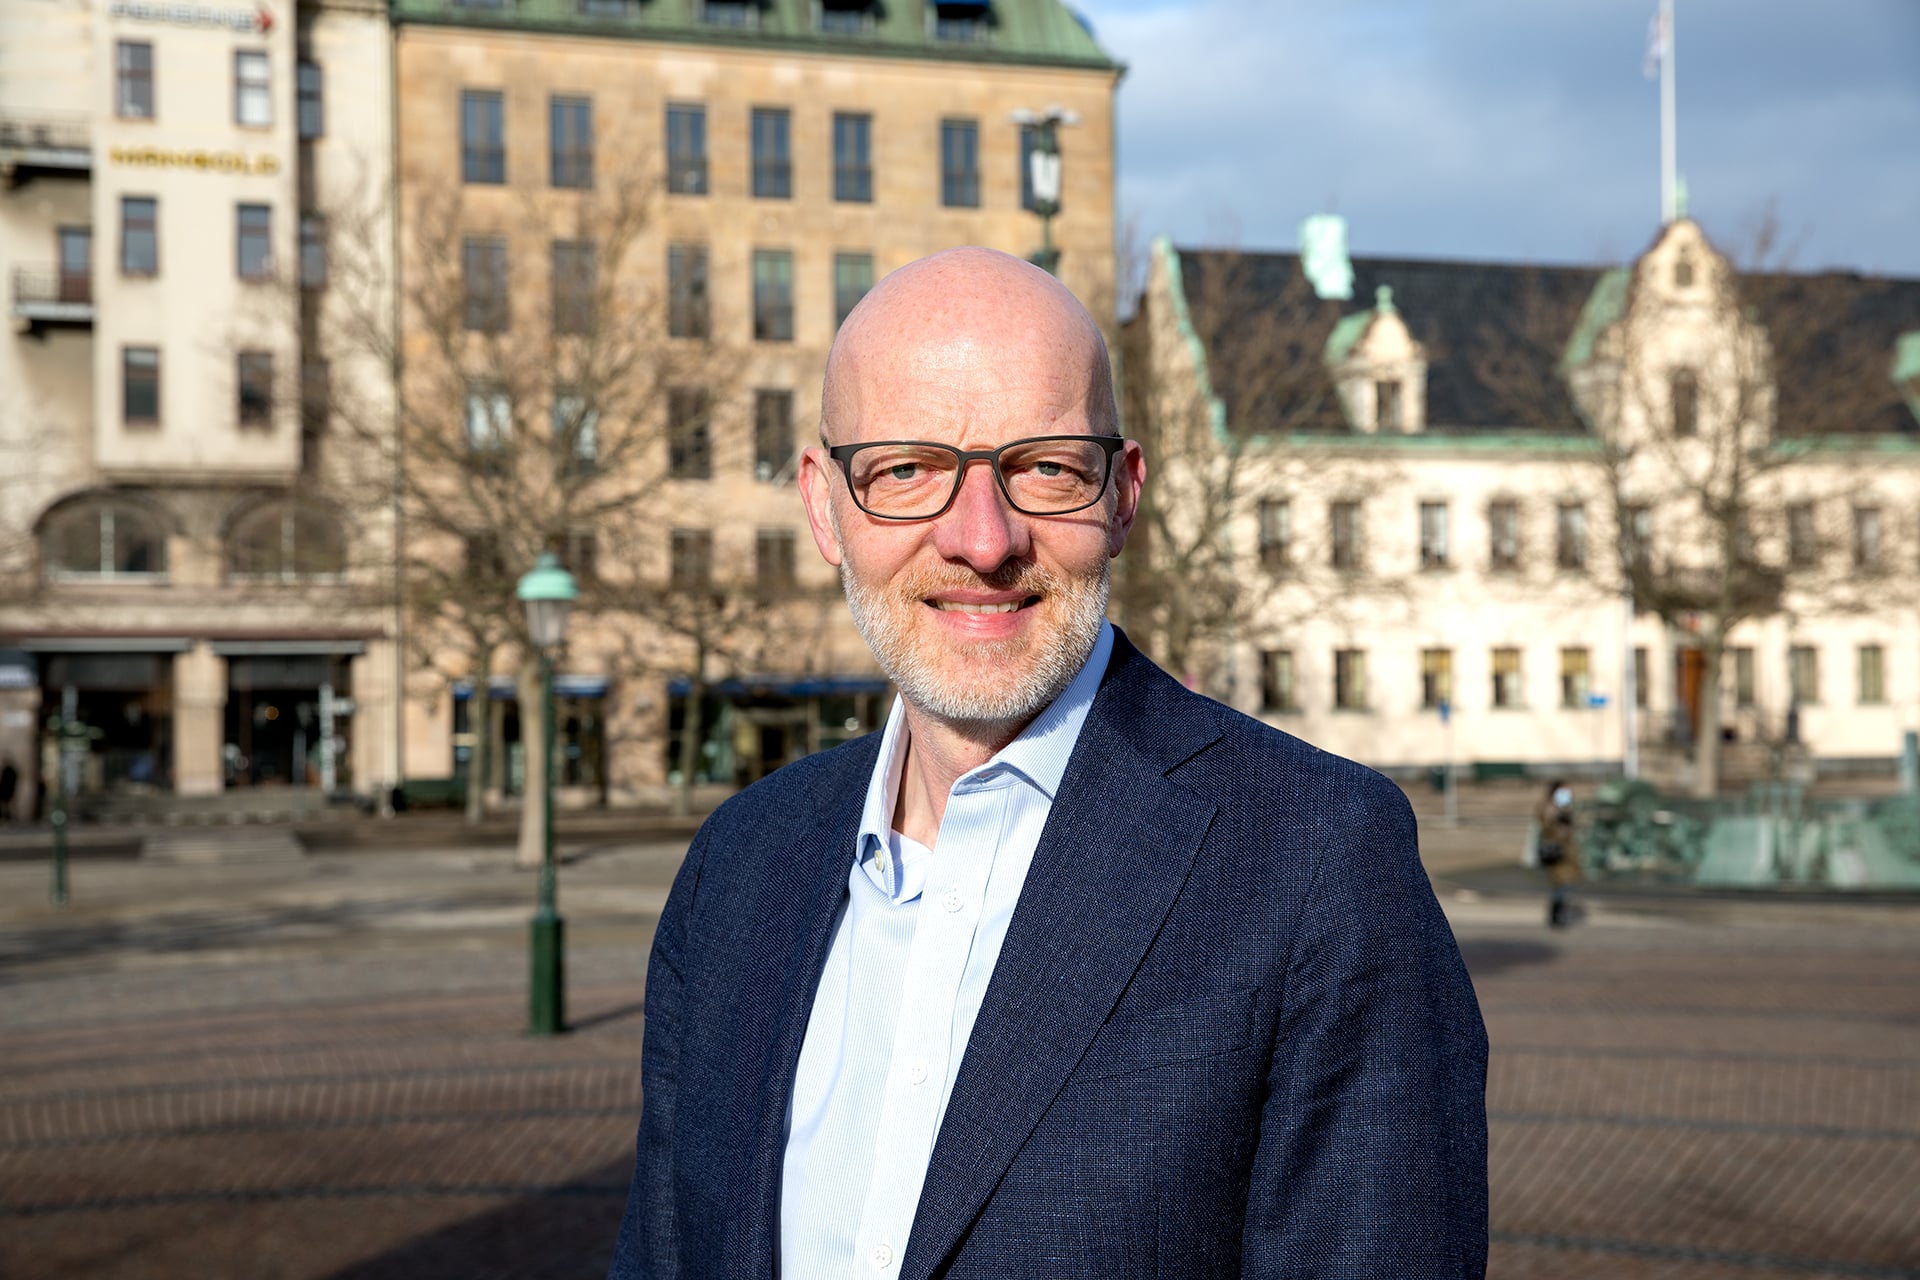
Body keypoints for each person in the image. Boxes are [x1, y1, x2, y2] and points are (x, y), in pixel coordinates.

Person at [608, 248, 1488, 1279]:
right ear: (824, 506)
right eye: (906, 469)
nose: (983, 539)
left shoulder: (1319, 863)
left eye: (1046, 467)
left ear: (1122, 495)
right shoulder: (740, 865)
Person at [1534, 778, 1582, 927]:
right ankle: (1556, 914)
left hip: (1566, 851)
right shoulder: (1549, 807)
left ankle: (1559, 912)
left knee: (1565, 883)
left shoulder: (1563, 806)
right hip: (1556, 851)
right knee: (1561, 883)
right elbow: (1549, 825)